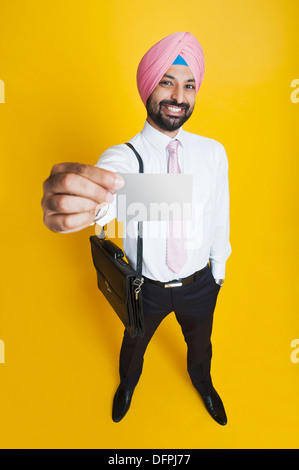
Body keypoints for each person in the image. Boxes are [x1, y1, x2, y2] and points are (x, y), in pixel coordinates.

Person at [41, 32, 231, 426]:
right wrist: (90, 199)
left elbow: (218, 213)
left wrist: (218, 271)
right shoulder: (123, 156)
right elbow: (111, 189)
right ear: (148, 86)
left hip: (200, 284)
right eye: (167, 81)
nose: (179, 96)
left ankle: (203, 383)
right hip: (147, 289)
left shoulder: (212, 153)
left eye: (189, 85)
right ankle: (128, 383)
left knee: (200, 346)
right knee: (134, 344)